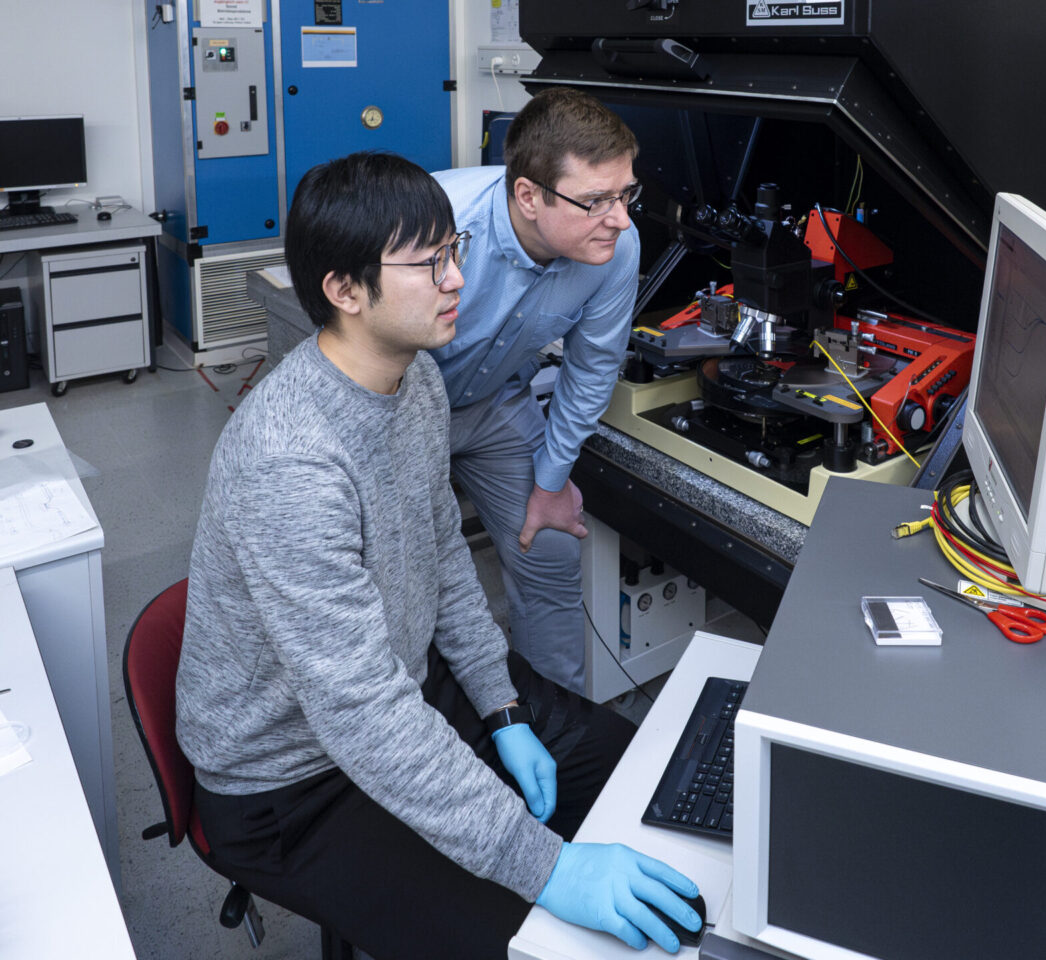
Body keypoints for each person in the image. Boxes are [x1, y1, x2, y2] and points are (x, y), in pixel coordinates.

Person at [174, 151, 701, 959]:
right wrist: (548, 868)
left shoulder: (413, 378)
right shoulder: (289, 461)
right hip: (291, 784)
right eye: (430, 264)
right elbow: (361, 716)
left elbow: (443, 558)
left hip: (408, 690)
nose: (458, 280)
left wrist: (501, 709)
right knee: (529, 935)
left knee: (625, 770)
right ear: (345, 291)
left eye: (455, 251)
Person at [431, 88, 641, 694]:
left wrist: (551, 482)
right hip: (400, 407)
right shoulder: (437, 222)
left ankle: (557, 727)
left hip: (495, 402)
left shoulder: (613, 246)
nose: (621, 218)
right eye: (597, 200)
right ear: (528, 195)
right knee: (404, 574)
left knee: (549, 549)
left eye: (626, 193)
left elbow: (592, 366)